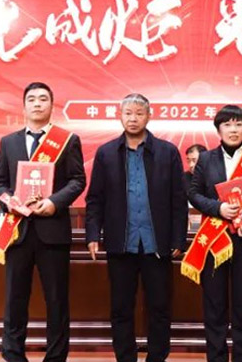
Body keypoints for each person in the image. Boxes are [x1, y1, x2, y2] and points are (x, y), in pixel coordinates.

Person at [85, 93, 188, 362]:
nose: (133, 119)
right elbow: (95, 198)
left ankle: (157, 357)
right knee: (121, 308)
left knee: (159, 307)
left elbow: (179, 200)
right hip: (121, 242)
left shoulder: (167, 152)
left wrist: (179, 238)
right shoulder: (106, 153)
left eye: (139, 113)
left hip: (157, 243)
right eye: (128, 113)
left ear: (148, 116)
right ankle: (125, 357)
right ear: (120, 116)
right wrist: (93, 234)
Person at [0, 82, 86, 362]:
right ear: (23, 106)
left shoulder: (67, 140)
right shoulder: (8, 142)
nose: (37, 103)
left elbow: (77, 180)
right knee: (15, 299)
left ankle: (55, 357)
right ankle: (13, 355)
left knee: (56, 300)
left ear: (51, 105)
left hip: (52, 230)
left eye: (43, 99)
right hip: (17, 231)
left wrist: (54, 202)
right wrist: (9, 201)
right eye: (31, 99)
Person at [183, 105, 242, 362]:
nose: (233, 130)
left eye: (238, 124)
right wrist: (218, 208)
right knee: (214, 307)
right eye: (227, 125)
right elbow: (194, 193)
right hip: (215, 241)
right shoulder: (206, 159)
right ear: (218, 130)